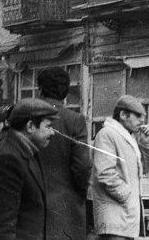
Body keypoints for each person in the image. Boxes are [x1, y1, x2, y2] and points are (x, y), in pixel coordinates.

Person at [0, 98, 58, 239]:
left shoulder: (26, 152)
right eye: (48, 127)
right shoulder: (8, 159)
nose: (53, 133)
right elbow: (0, 228)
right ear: (30, 126)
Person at [35, 67, 91, 240]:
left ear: (40, 89)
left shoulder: (28, 116)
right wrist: (79, 194)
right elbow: (82, 167)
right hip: (66, 208)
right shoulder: (75, 120)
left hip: (30, 207)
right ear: (66, 91)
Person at [91, 95, 149, 239]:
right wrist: (127, 195)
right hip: (113, 218)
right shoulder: (107, 134)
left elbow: (144, 170)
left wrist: (144, 144)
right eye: (138, 116)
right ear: (123, 115)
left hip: (124, 217)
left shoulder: (127, 137)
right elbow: (105, 173)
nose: (142, 121)